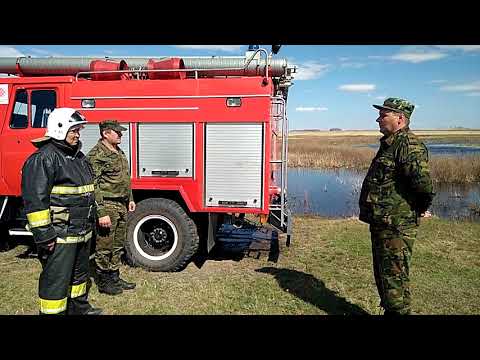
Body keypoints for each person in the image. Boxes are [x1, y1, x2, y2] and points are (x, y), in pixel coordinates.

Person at [21, 108, 102, 315]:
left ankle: (79, 310)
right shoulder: (43, 158)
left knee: (79, 277)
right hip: (60, 236)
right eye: (73, 130)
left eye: (78, 130)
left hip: (82, 232)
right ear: (59, 129)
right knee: (56, 281)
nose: (77, 134)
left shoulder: (78, 157)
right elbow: (35, 202)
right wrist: (45, 235)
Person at [358, 97, 435, 316]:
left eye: (383, 115)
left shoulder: (409, 145)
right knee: (384, 277)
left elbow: (423, 186)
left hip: (397, 226)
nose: (378, 120)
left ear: (400, 118)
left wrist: (417, 210)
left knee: (395, 280)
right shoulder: (391, 144)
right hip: (383, 223)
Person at [87, 120, 136, 295]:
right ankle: (103, 280)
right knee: (104, 245)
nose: (121, 134)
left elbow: (124, 177)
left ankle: (114, 276)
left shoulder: (118, 151)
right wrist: (101, 212)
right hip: (107, 205)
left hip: (120, 204)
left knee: (117, 244)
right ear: (105, 133)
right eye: (117, 132)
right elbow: (93, 185)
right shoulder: (96, 155)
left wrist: (130, 198)